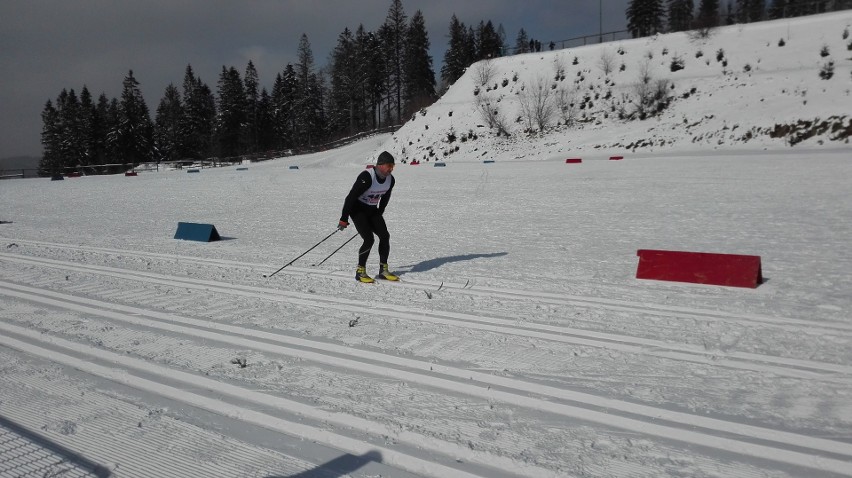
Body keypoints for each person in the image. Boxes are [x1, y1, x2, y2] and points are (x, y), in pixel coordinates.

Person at [338, 151, 399, 283]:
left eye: (393, 166)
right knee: (369, 239)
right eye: (389, 165)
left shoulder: (390, 179)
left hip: (372, 210)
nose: (391, 169)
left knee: (384, 236)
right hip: (358, 210)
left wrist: (379, 213)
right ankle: (360, 272)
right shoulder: (367, 176)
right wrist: (344, 218)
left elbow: (385, 197)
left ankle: (383, 270)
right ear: (380, 165)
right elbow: (351, 197)